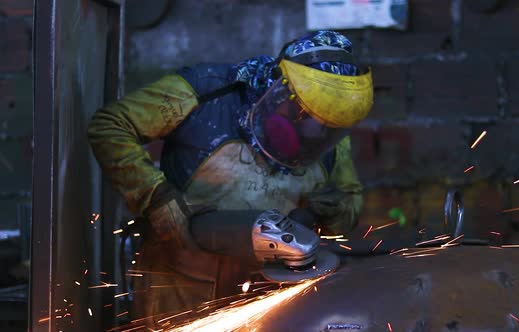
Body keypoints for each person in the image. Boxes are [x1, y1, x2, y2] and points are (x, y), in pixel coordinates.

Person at [88, 30, 373, 326]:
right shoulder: (205, 92)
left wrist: (331, 212)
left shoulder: (331, 135)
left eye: (327, 126)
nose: (315, 133)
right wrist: (155, 196)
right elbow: (111, 125)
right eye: (305, 116)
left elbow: (348, 202)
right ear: (279, 86)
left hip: (270, 291)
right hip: (180, 282)